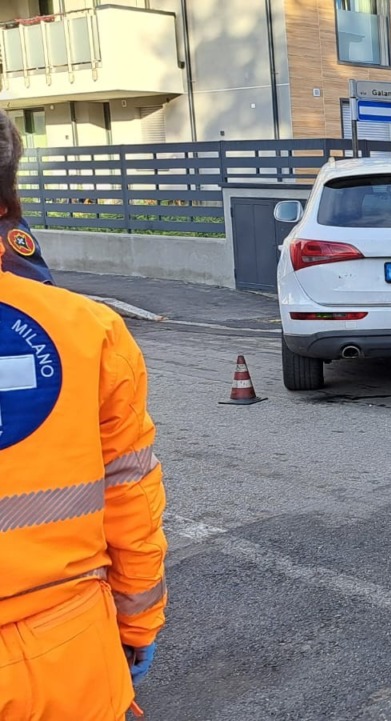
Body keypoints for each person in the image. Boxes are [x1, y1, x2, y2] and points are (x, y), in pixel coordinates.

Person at [0, 113, 167, 720]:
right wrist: (139, 621)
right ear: (8, 203)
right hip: (64, 653)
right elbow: (129, 491)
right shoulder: (87, 329)